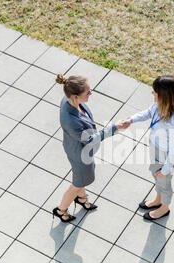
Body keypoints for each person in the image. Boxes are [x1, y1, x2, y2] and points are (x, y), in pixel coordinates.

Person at [53, 74, 129, 223]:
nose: (91, 93)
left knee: (80, 179)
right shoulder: (71, 121)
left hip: (78, 149)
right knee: (78, 183)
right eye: (87, 92)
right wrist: (115, 128)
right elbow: (89, 139)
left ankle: (81, 198)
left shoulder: (69, 101)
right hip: (80, 154)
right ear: (75, 96)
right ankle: (61, 210)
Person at [123, 75, 174, 220]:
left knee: (164, 181)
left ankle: (164, 208)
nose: (152, 93)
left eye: (155, 92)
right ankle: (158, 200)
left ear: (164, 96)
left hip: (165, 156)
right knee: (156, 176)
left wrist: (165, 170)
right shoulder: (158, 106)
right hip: (156, 148)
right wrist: (131, 119)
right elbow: (147, 113)